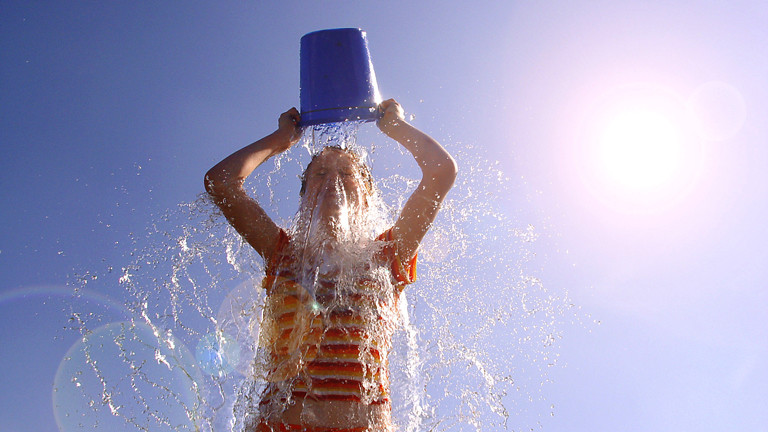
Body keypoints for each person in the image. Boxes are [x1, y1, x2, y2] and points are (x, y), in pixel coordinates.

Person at [205, 99, 457, 432]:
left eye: (346, 173)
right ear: (305, 197)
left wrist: (396, 126)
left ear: (367, 195)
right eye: (320, 174)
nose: (332, 180)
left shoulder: (388, 255)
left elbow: (441, 171)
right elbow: (220, 183)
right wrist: (280, 139)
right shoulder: (284, 254)